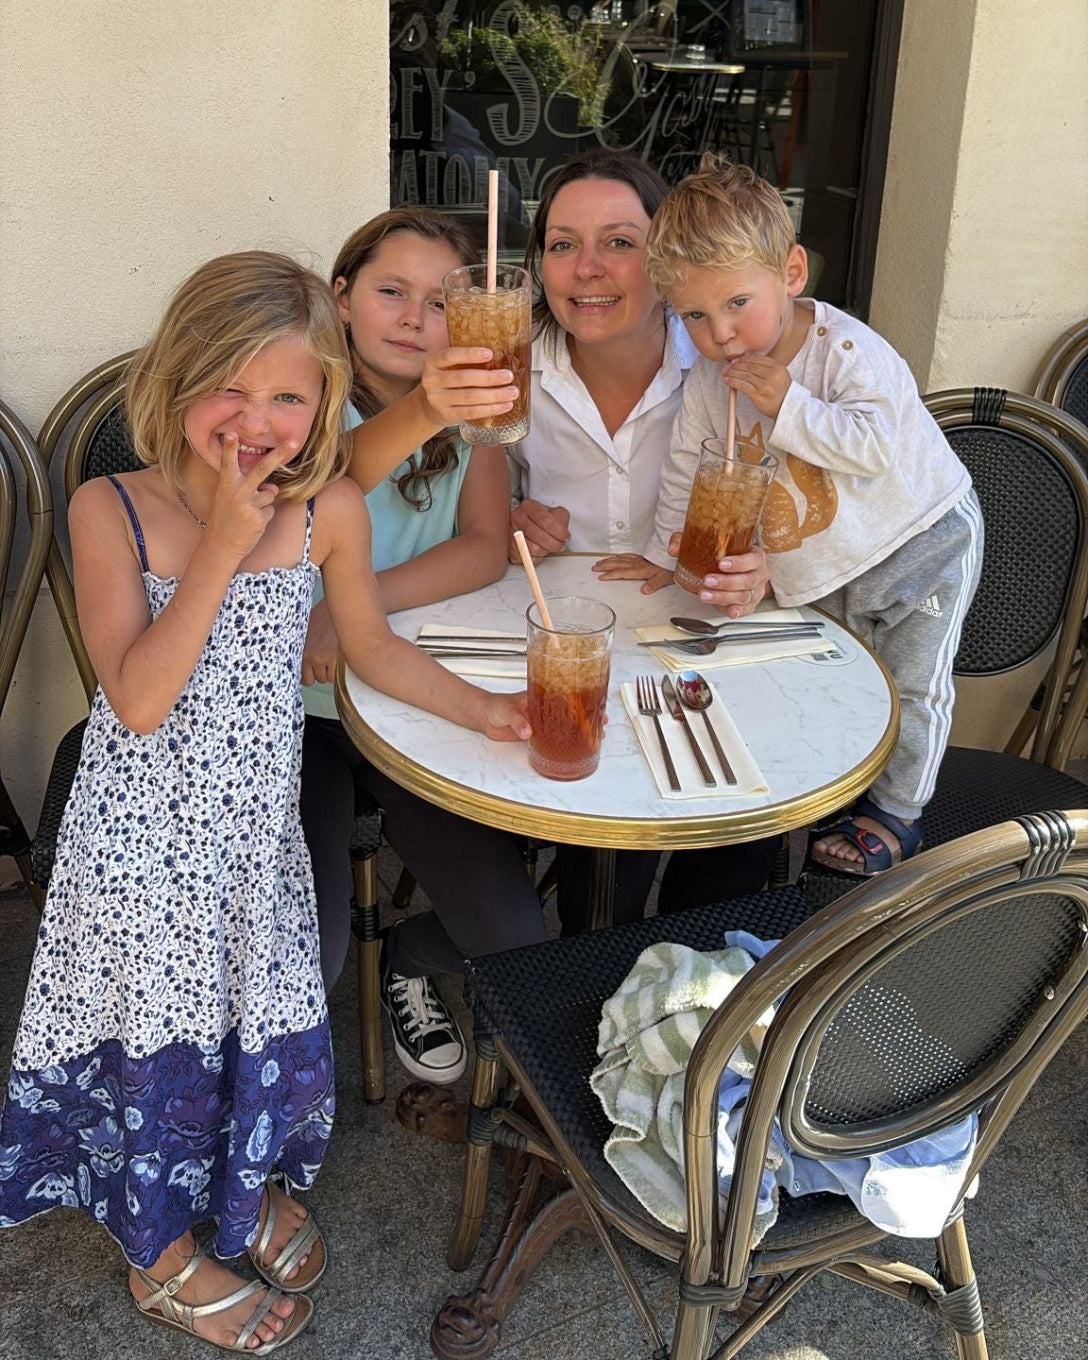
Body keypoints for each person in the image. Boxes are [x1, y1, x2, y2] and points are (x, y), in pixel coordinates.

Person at [0, 251, 531, 1354]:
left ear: (323, 408)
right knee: (155, 1045)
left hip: (253, 835)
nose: (257, 419)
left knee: (257, 1025)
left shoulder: (327, 508)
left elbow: (369, 646)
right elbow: (137, 700)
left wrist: (483, 711)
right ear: (174, 383)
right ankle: (158, 1251)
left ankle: (241, 1193)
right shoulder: (113, 511)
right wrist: (227, 550)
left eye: (288, 396)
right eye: (227, 389)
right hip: (140, 850)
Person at [637, 157, 984, 874]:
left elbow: (875, 449)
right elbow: (691, 466)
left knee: (914, 687)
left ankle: (898, 814)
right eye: (694, 316)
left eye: (737, 302)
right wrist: (667, 549)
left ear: (791, 274)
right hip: (827, 554)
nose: (721, 333)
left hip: (921, 541)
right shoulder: (710, 379)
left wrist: (787, 406)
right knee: (835, 676)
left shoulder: (850, 352)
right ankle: (832, 788)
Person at [299, 208, 545, 1087]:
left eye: (439, 303)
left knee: (518, 934)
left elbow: (484, 544)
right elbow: (324, 483)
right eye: (389, 292)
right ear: (344, 298)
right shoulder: (298, 391)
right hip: (306, 717)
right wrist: (335, 612)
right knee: (312, 953)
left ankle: (409, 956)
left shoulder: (474, 411)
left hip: (416, 692)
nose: (413, 318)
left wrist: (354, 607)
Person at [509, 149, 779, 925]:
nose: (587, 269)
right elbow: (470, 504)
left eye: (619, 242)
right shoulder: (508, 369)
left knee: (737, 838)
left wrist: (764, 565)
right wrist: (508, 527)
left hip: (704, 641)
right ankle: (598, 975)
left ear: (664, 260)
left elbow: (796, 500)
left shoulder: (730, 362)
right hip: (567, 643)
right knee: (606, 872)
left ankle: (699, 998)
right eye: (563, 244)